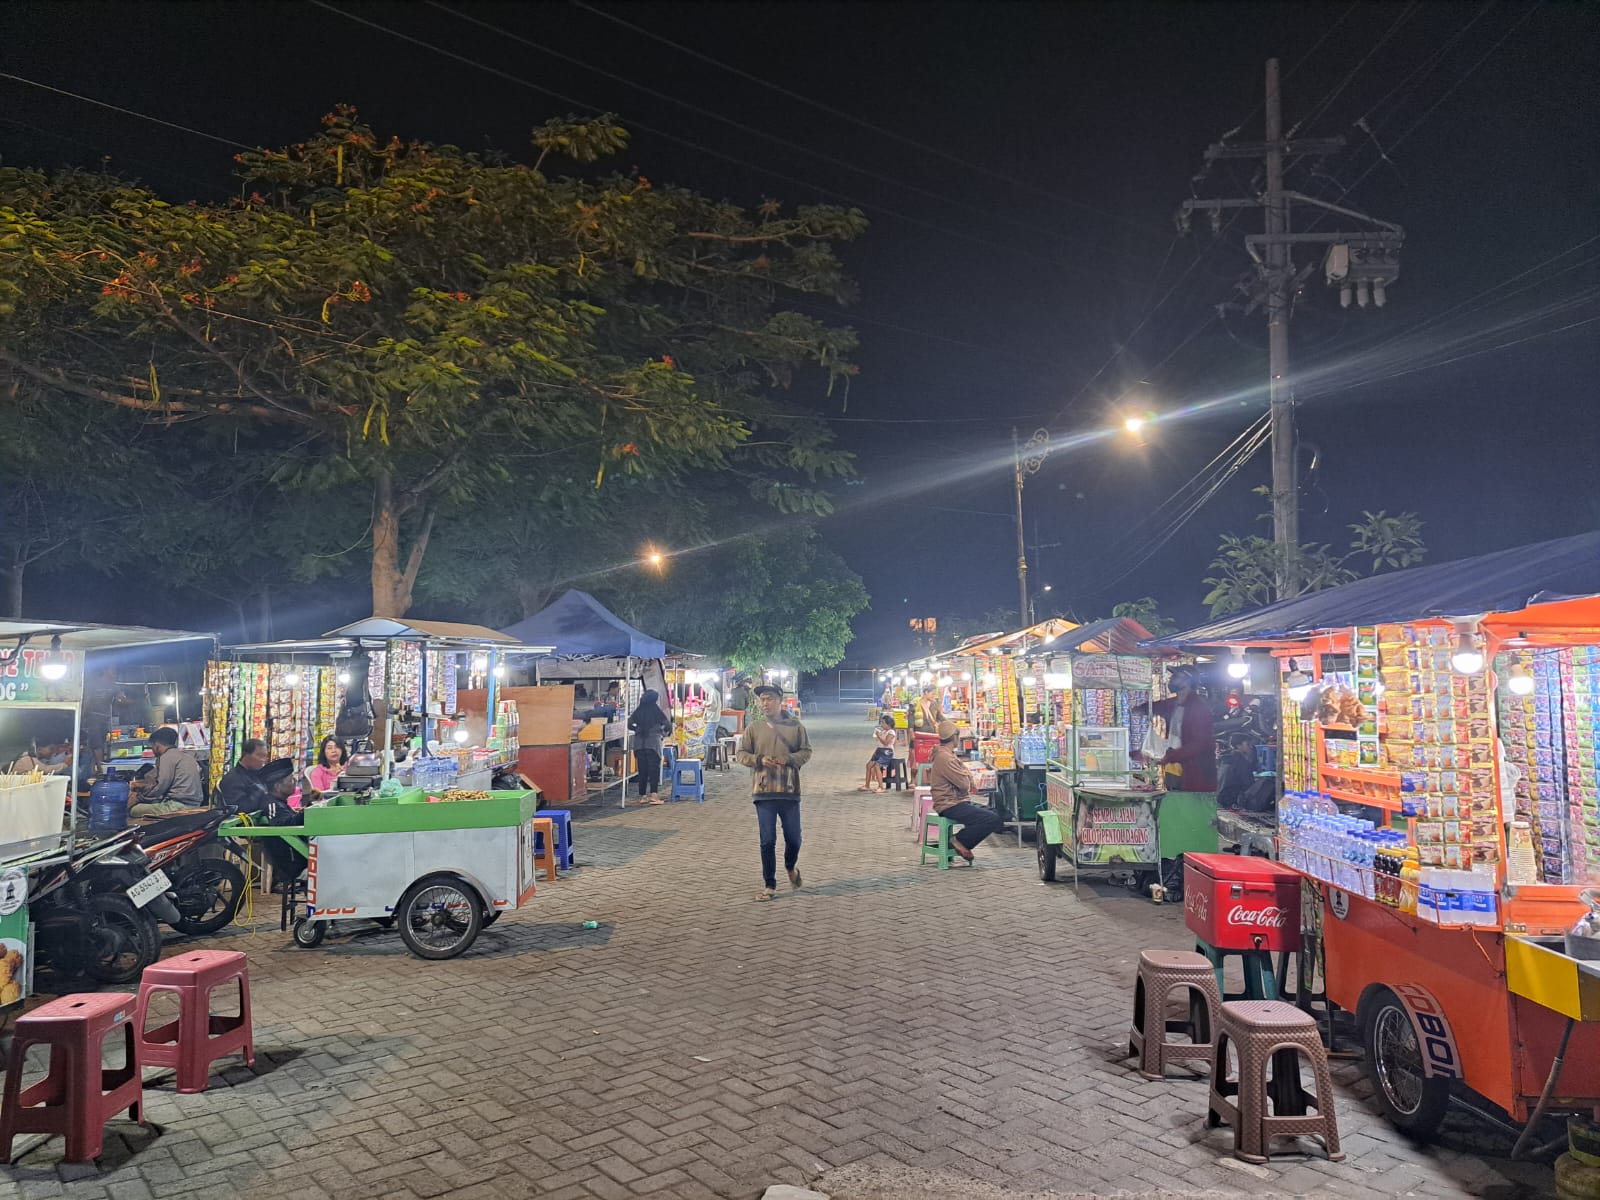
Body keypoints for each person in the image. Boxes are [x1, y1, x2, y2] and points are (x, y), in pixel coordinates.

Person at [736, 683, 812, 900]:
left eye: (769, 699)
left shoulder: (796, 727)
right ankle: (769, 884)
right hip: (763, 790)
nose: (765, 703)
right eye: (762, 699)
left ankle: (791, 867)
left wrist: (788, 759)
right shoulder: (754, 728)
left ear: (780, 701)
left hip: (789, 790)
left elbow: (806, 751)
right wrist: (759, 760)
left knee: (794, 839)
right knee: (767, 840)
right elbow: (741, 753)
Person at [928, 720, 1004, 861]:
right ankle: (958, 841)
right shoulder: (945, 758)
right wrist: (968, 776)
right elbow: (964, 784)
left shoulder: (946, 755)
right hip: (950, 804)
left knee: (994, 813)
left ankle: (960, 841)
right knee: (991, 819)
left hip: (957, 801)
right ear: (955, 737)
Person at [1145, 665, 1218, 791]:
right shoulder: (1177, 705)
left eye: (1176, 676)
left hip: (1192, 769)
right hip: (1174, 767)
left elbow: (1199, 742)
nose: (1171, 679)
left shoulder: (1198, 706)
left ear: (1187, 681)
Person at [129, 726, 206, 816]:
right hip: (195, 803)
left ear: (157, 744)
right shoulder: (185, 756)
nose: (153, 750)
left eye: (152, 746)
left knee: (134, 810)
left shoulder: (166, 757)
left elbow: (160, 787)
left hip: (179, 806)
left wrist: (138, 798)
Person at [627, 689, 673, 805]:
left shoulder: (638, 710)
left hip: (639, 744)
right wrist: (663, 732)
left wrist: (637, 729)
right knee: (653, 770)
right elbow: (667, 724)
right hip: (653, 744)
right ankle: (653, 795)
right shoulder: (656, 710)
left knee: (642, 771)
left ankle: (642, 796)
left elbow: (629, 723)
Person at [216, 738, 272, 813]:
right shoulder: (232, 779)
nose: (263, 760)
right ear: (246, 755)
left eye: (265, 756)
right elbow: (239, 808)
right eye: (259, 756)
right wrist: (260, 792)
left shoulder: (258, 774)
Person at [861, 715, 897, 792]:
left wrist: (878, 736)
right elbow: (880, 744)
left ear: (888, 724)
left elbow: (886, 743)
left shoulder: (891, 732)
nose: (882, 725)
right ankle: (867, 785)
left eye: (883, 723)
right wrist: (875, 752)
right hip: (879, 751)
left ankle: (881, 787)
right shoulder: (883, 731)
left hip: (887, 752)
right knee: (868, 765)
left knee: (877, 766)